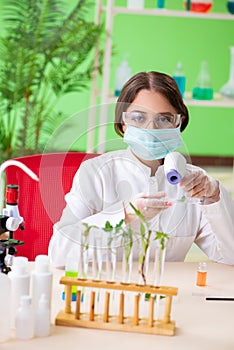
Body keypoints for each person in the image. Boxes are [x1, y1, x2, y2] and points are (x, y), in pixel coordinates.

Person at [48, 71, 234, 268]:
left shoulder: (195, 183)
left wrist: (215, 196)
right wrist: (124, 215)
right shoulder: (96, 173)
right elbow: (59, 254)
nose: (151, 129)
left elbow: (229, 256)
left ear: (178, 123)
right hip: (109, 291)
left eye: (164, 119)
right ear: (123, 123)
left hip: (168, 292)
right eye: (138, 118)